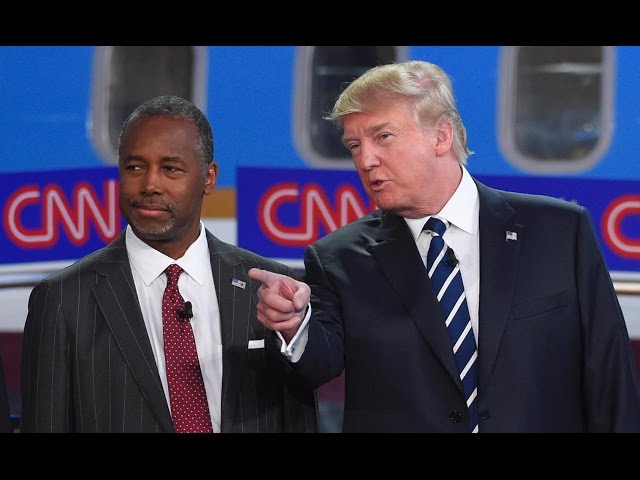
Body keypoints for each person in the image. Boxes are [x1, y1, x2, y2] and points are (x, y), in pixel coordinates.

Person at [248, 60, 640, 432]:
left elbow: (610, 377)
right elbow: (319, 365)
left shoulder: (559, 232)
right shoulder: (338, 258)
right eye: (354, 145)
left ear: (441, 136)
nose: (365, 160)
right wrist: (295, 325)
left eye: (383, 137)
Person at [21, 95, 317, 433]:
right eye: (135, 167)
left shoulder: (267, 287)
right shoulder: (63, 299)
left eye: (170, 169)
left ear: (208, 178)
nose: (150, 185)